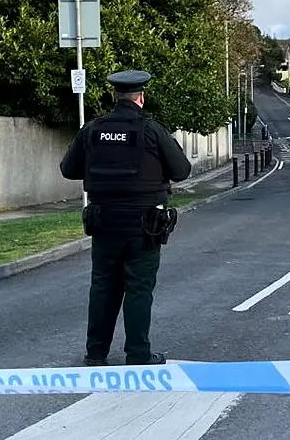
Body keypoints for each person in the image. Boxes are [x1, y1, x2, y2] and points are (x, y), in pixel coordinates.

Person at [59, 70, 192, 366]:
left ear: (113, 96)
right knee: (138, 288)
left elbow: (68, 169)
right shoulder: (151, 130)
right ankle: (138, 353)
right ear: (141, 97)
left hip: (104, 222)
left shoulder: (93, 129)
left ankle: (95, 353)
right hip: (144, 226)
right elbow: (182, 170)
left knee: (103, 286)